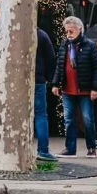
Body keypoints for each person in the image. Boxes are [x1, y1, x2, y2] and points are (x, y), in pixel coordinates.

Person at [51, 16, 97, 158]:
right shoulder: (64, 45)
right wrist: (55, 84)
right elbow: (59, 66)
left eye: (71, 31)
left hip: (84, 89)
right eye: (67, 32)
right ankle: (70, 148)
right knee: (69, 119)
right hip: (68, 88)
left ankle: (91, 147)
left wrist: (95, 88)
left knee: (87, 119)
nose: (68, 34)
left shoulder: (90, 46)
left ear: (79, 30)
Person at [34, 26, 57, 159]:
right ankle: (43, 150)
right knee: (41, 114)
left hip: (17, 81)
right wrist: (49, 78)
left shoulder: (13, 32)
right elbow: (51, 58)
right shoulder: (41, 34)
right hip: (38, 80)